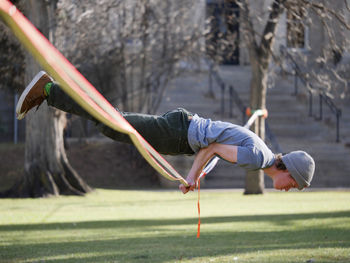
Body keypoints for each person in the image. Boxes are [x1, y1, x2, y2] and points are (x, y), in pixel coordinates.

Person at [16, 71, 315, 194]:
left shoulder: (260, 155)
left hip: (181, 132)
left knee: (114, 127)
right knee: (112, 122)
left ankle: (54, 91)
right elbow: (210, 149)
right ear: (287, 169)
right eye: (295, 183)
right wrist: (191, 177)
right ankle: (50, 89)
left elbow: (215, 148)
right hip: (179, 133)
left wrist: (196, 175)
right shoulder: (258, 158)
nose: (291, 188)